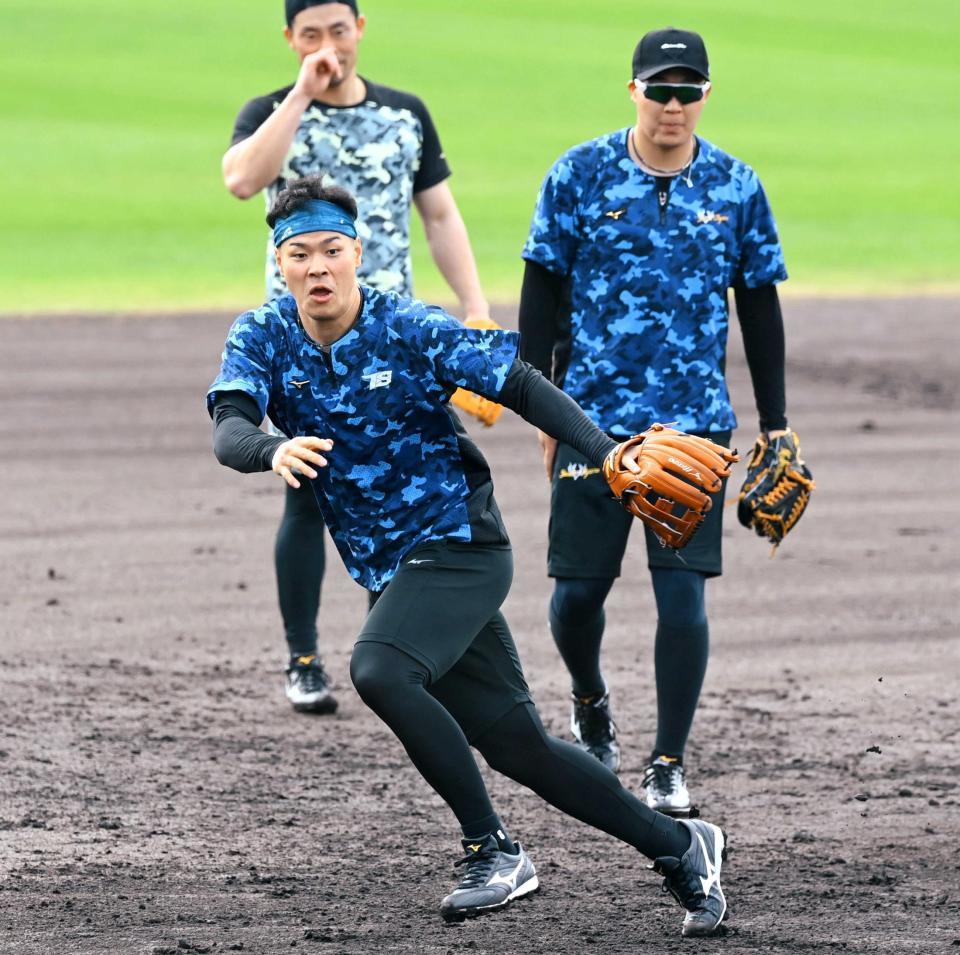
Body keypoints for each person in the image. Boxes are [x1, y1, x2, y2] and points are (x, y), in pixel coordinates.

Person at [207, 175, 730, 937]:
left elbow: (516, 381)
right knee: (524, 746)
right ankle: (684, 845)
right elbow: (229, 427)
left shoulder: (407, 325)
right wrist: (271, 446)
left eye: (330, 250)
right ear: (279, 263)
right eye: (298, 254)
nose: (316, 267)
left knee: (380, 668)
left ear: (359, 252)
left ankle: (493, 847)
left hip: (461, 544)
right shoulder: (263, 335)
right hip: (395, 571)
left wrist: (606, 451)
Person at [519, 27, 790, 816]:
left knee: (683, 600)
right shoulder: (577, 174)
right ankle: (590, 696)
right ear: (633, 90)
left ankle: (668, 761)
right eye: (659, 89)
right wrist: (539, 404)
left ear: (705, 97)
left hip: (693, 430)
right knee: (576, 595)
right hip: (590, 424)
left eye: (687, 91)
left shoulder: (737, 188)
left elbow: (761, 308)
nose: (672, 105)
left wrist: (775, 424)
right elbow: (541, 289)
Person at [222, 0, 491, 715]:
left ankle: (414, 645)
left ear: (361, 30)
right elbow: (244, 180)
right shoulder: (269, 110)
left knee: (424, 483)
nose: (327, 46)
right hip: (307, 339)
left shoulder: (406, 114)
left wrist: (475, 307)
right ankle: (304, 654)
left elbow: (438, 213)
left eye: (338, 31)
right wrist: (304, 92)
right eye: (310, 35)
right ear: (289, 40)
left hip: (396, 337)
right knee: (309, 489)